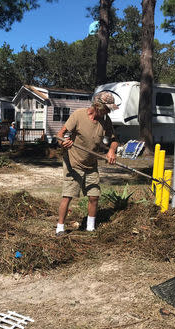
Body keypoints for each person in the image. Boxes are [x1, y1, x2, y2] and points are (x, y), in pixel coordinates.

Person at [56, 91, 119, 236]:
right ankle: (60, 227)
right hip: (73, 162)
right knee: (68, 195)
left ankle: (90, 228)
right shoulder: (78, 115)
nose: (108, 111)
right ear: (97, 105)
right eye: (106, 108)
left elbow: (114, 139)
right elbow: (60, 135)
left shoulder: (105, 120)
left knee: (94, 196)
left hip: (91, 165)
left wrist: (112, 150)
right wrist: (63, 142)